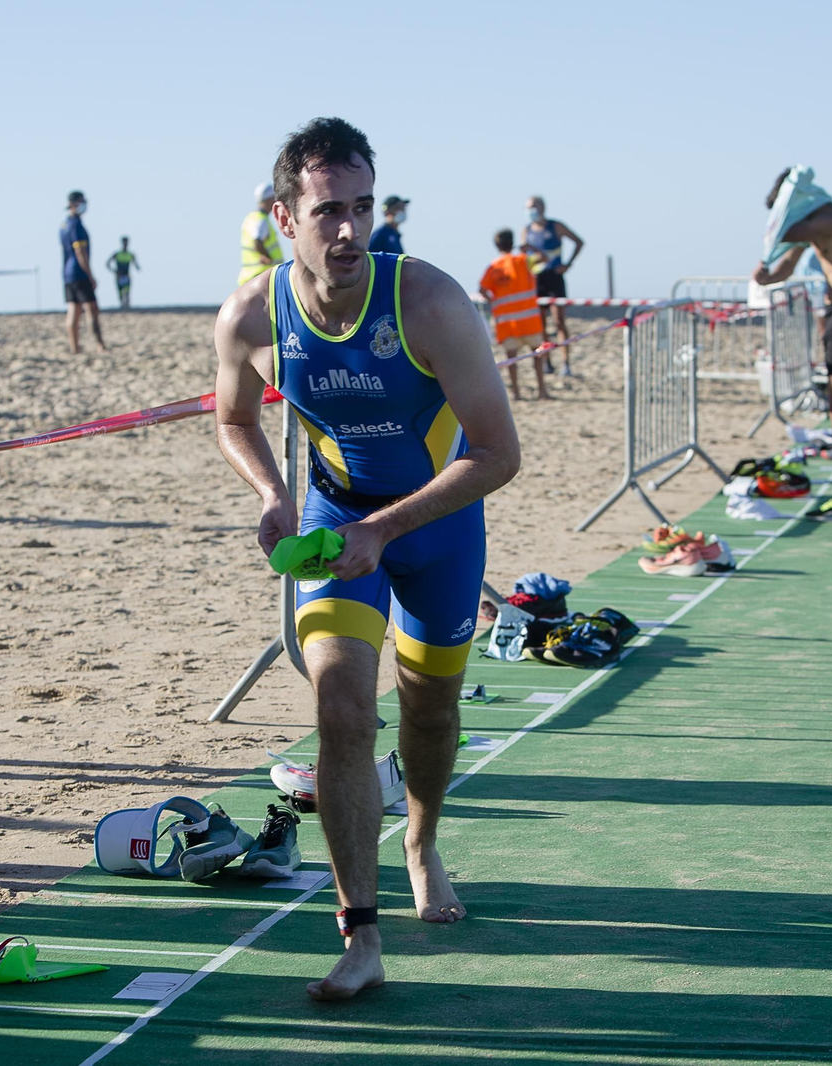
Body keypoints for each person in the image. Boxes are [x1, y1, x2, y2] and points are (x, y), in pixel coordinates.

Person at [215, 117, 520, 1001]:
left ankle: (421, 839)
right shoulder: (250, 311)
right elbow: (233, 418)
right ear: (284, 217)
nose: (349, 231)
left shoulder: (428, 301)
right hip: (332, 520)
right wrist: (273, 495)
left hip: (435, 533)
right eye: (326, 213)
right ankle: (361, 936)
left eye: (362, 208)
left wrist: (384, 532)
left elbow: (498, 454)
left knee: (428, 714)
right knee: (343, 710)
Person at [751, 166, 832, 521]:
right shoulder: (816, 225)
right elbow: (785, 264)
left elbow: (782, 233)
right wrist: (767, 276)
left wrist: (781, 220)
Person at [479, 228, 549, 401]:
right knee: (538, 356)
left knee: (511, 359)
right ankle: (542, 390)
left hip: (507, 322)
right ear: (512, 242)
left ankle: (516, 392)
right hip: (529, 320)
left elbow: (482, 289)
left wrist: (493, 302)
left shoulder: (494, 266)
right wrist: (531, 247)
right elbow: (545, 260)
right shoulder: (523, 260)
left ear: (496, 245)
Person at [520, 196, 583, 377]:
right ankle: (547, 361)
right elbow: (524, 258)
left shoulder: (555, 226)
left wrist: (568, 264)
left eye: (533, 206)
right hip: (538, 281)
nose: (530, 210)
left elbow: (579, 241)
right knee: (541, 325)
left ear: (542, 207)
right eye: (528, 207)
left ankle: (566, 363)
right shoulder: (526, 230)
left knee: (559, 322)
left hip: (555, 278)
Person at [60, 191, 105, 354]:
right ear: (73, 204)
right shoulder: (76, 225)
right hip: (79, 273)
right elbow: (81, 253)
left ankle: (74, 347)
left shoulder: (64, 225)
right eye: (81, 202)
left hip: (67, 273)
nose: (84, 205)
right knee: (91, 308)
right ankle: (100, 345)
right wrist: (90, 274)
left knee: (74, 308)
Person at [237, 181, 282, 286]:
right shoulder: (260, 220)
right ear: (268, 199)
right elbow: (257, 242)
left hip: (252, 275)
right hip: (260, 275)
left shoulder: (251, 218)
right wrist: (268, 258)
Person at [105, 236, 137, 310]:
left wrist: (138, 267)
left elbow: (136, 264)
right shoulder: (117, 254)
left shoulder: (131, 255)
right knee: (120, 293)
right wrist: (114, 271)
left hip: (127, 275)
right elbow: (107, 264)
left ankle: (127, 306)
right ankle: (122, 306)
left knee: (127, 291)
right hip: (119, 276)